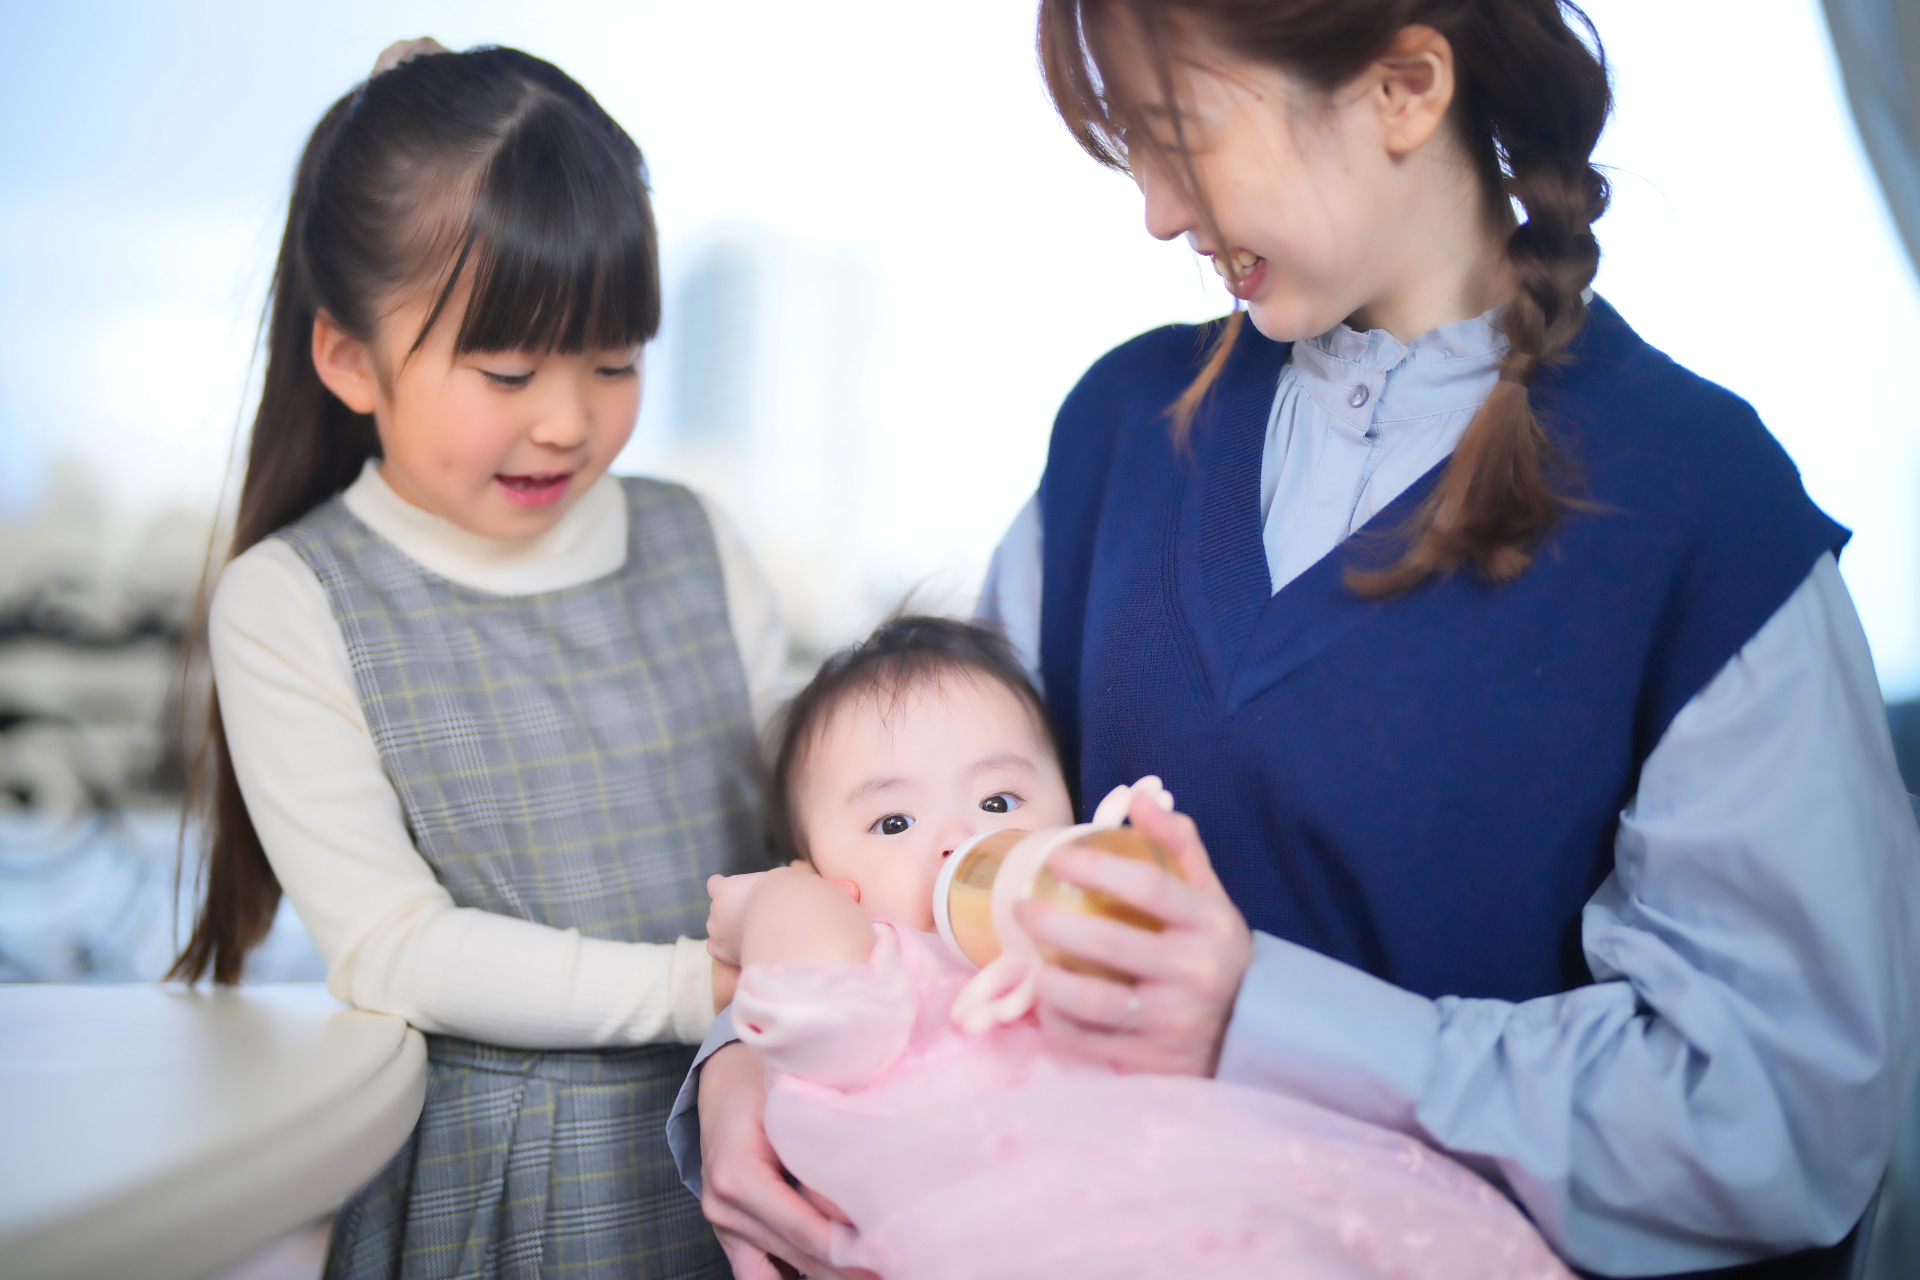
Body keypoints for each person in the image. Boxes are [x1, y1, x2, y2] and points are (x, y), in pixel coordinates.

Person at [673, 3, 1920, 1278]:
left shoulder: (1705, 511)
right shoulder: (1119, 432)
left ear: (1405, 87)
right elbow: (914, 855)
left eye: (1176, 136)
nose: (1158, 211)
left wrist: (1256, 1015)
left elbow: (1783, 1113)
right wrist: (744, 1059)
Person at [169, 43, 781, 1279]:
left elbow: (800, 815)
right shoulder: (294, 601)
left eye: (613, 362)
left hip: (760, 1138)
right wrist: (696, 984)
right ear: (348, 358)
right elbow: (394, 942)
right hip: (509, 1196)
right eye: (506, 371)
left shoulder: (694, 539)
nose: (566, 418)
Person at [704, 614, 1573, 1279]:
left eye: (1001, 802)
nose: (959, 837)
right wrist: (778, 908)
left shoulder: (1088, 929)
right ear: (821, 870)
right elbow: (814, 1005)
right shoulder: (884, 967)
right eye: (893, 820)